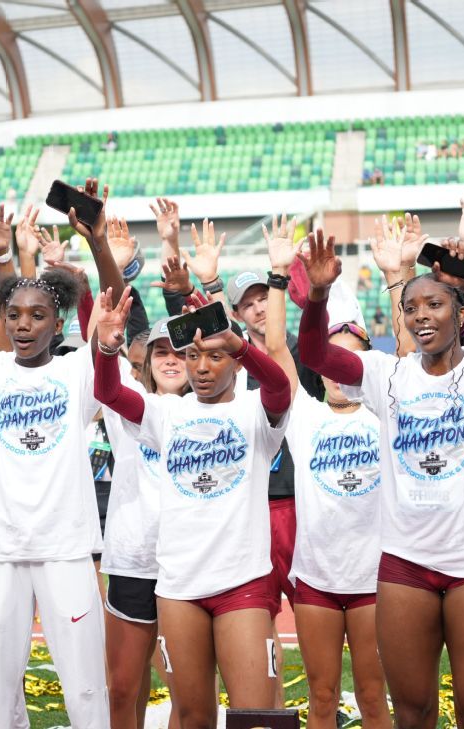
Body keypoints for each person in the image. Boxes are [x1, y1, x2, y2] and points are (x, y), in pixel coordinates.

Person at [297, 232, 464, 729]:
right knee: (412, 713)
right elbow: (315, 354)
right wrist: (318, 296)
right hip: (404, 566)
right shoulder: (386, 375)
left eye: (435, 304)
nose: (422, 316)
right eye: (412, 308)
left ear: (459, 315)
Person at [0, 168, 125, 729]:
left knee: (85, 694)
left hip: (65, 550)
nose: (25, 324)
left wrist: (98, 239)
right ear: (3, 323)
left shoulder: (78, 371)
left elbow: (111, 301)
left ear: (58, 321)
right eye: (14, 316)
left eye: (37, 315)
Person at [93, 279, 291, 729]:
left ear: (236, 364)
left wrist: (239, 345)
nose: (200, 367)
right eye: (192, 356)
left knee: (254, 716)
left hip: (242, 581)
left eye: (214, 356)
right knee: (192, 716)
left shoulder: (255, 410)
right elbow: (109, 395)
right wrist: (106, 350)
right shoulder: (167, 414)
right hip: (178, 587)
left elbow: (280, 385)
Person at [263, 222, 390, 729]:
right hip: (317, 579)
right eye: (330, 357)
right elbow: (276, 349)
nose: (338, 369)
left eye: (349, 356)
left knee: (375, 695)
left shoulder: (387, 408)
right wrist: (277, 274)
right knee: (321, 697)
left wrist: (395, 273)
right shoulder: (307, 414)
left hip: (375, 580)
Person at [100, 316, 188, 729]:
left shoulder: (214, 409)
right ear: (147, 361)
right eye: (162, 352)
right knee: (122, 687)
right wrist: (102, 258)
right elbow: (99, 349)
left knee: (185, 692)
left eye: (182, 353)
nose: (171, 360)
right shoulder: (128, 405)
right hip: (132, 561)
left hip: (186, 566)